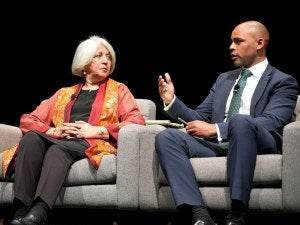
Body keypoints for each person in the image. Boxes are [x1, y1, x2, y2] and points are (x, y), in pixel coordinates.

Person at [155, 20, 299, 225]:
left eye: (238, 41)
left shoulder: (282, 81)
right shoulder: (224, 79)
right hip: (218, 144)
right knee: (166, 137)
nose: (231, 47)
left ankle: (237, 213)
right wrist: (172, 102)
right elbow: (201, 119)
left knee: (241, 122)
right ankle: (199, 214)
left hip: (257, 143)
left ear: (259, 43)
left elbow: (271, 122)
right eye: (231, 42)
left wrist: (217, 129)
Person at [2, 35, 145, 225]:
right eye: (99, 56)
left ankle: (40, 212)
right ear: (84, 63)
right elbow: (28, 120)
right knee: (30, 139)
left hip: (92, 143)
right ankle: (20, 211)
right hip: (63, 139)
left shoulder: (119, 90)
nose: (105, 61)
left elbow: (136, 120)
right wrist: (52, 131)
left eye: (108, 57)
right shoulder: (64, 93)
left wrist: (98, 130)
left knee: (56, 150)